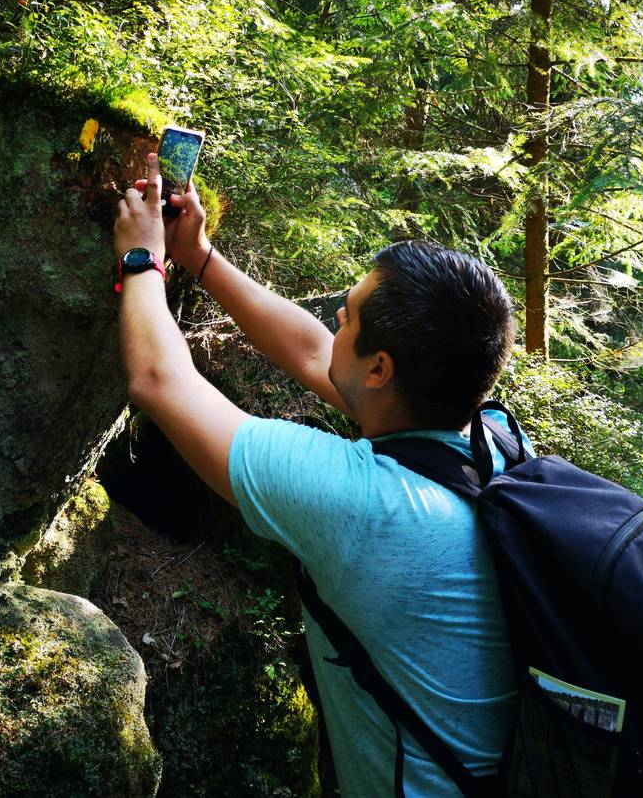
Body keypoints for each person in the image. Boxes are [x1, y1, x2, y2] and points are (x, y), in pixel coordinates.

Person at [115, 153, 523, 796]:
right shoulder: (489, 440)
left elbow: (160, 381)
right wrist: (197, 255)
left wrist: (142, 259)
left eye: (350, 313)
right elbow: (311, 351)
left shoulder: (366, 507)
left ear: (381, 369)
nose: (335, 316)